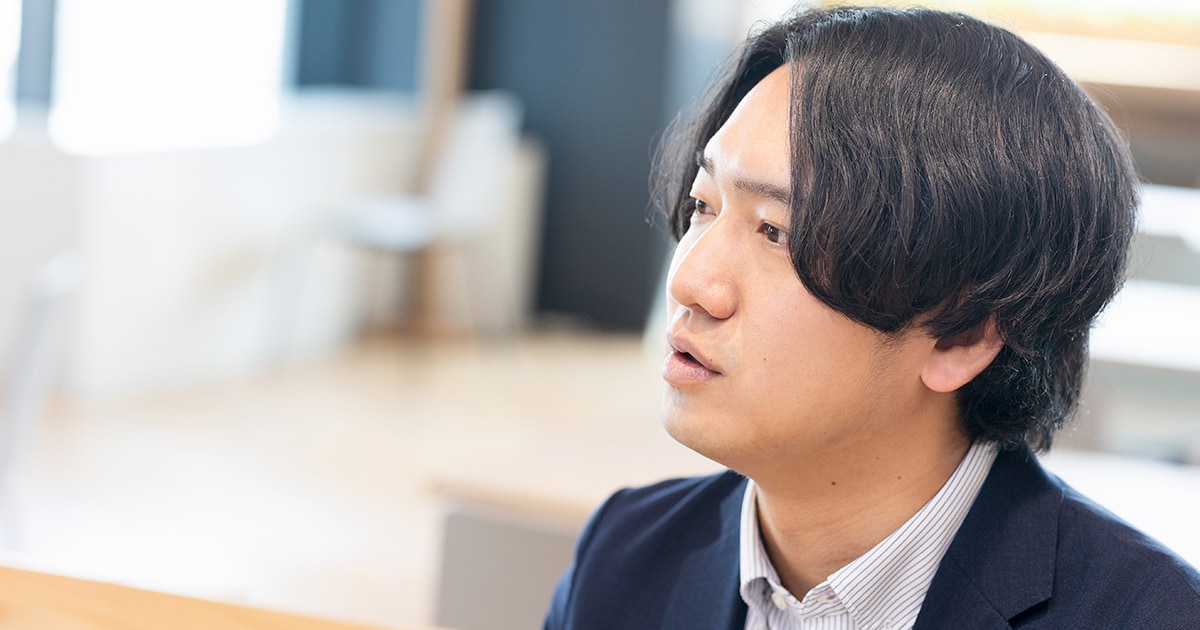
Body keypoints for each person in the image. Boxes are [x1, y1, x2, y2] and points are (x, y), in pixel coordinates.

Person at [543, 5, 1200, 629]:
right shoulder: (627, 556)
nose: (690, 282)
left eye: (777, 232)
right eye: (703, 205)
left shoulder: (1149, 616)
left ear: (961, 335)